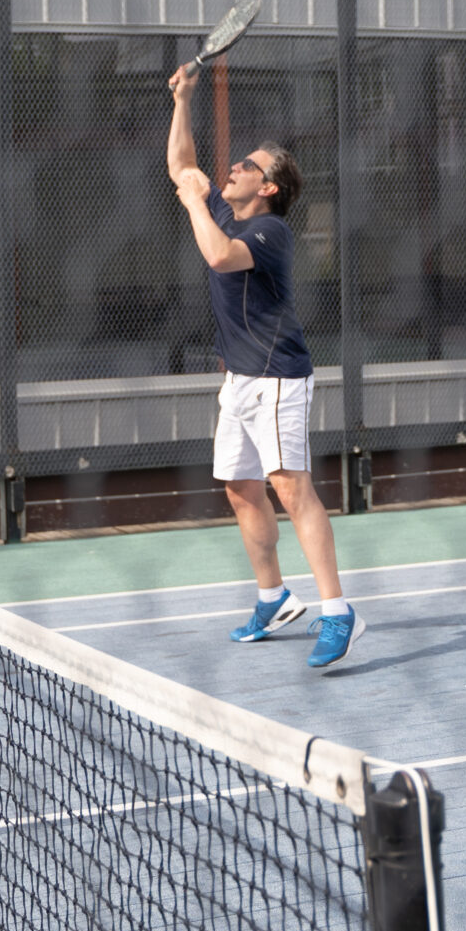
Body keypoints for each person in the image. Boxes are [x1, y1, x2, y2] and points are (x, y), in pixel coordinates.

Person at [164, 60, 361, 668]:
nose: (235, 168)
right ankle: (273, 599)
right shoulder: (229, 208)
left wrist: (198, 203)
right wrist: (182, 99)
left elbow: (221, 258)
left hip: (278, 377)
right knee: (240, 488)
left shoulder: (270, 231)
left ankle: (338, 612)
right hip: (238, 379)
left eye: (248, 166)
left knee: (289, 487)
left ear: (268, 187)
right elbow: (181, 166)